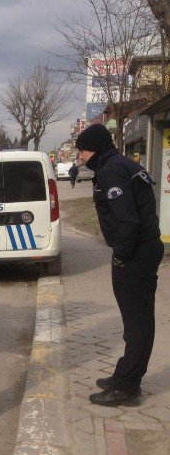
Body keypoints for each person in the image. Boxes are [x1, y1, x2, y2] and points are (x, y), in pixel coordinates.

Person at [76, 123, 164, 407]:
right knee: (135, 320)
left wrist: (121, 256)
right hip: (143, 249)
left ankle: (127, 386)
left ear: (97, 148)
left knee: (137, 322)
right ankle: (126, 374)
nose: (80, 157)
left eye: (83, 151)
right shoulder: (122, 164)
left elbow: (127, 220)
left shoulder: (112, 171)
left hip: (136, 254)